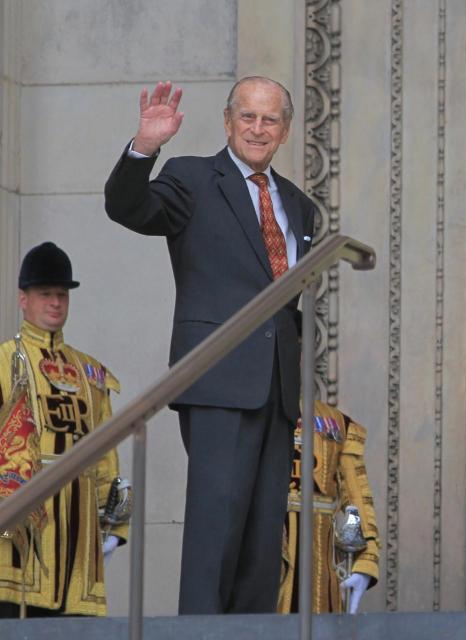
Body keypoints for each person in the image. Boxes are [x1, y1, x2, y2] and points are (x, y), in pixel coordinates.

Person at [104, 77, 316, 614]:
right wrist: (145, 147)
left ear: (285, 130)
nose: (257, 128)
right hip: (218, 380)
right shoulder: (195, 177)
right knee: (214, 536)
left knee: (263, 544)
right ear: (227, 122)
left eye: (269, 120)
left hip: (277, 389)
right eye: (247, 116)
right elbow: (129, 208)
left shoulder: (298, 204)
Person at [0, 242, 127, 617]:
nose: (55, 303)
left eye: (61, 295)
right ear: (23, 299)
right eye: (45, 295)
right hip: (19, 528)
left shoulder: (91, 373)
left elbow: (107, 455)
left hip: (80, 532)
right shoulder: (3, 362)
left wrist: (115, 526)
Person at [277, 400, 379, 614]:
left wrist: (364, 563)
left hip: (321, 568)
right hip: (264, 558)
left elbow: (356, 498)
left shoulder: (337, 423)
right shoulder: (252, 414)